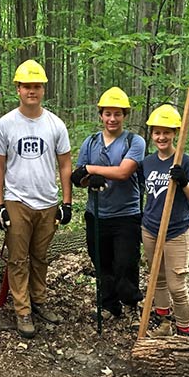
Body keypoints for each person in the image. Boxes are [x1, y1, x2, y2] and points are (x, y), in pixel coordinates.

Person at [0, 59, 72, 338]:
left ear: (43, 89)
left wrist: (67, 201)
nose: (31, 91)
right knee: (17, 258)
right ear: (18, 89)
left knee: (40, 257)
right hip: (17, 200)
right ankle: (22, 310)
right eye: (26, 86)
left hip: (48, 201)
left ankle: (39, 300)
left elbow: (64, 165)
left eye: (36, 86)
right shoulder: (5, 124)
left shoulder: (56, 125)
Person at [70, 87, 145, 321]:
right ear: (101, 115)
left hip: (126, 215)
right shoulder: (90, 142)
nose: (112, 119)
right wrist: (87, 179)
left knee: (125, 262)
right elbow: (79, 177)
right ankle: (109, 305)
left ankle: (131, 301)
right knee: (101, 263)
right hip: (96, 214)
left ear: (125, 116)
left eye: (117, 114)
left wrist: (92, 169)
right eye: (107, 114)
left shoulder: (135, 141)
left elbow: (124, 172)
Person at [139, 104, 189, 337]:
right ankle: (164, 323)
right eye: (157, 132)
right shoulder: (147, 163)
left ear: (175, 133)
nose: (161, 137)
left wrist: (184, 182)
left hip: (176, 231)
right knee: (157, 279)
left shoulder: (185, 162)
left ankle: (184, 331)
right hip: (150, 229)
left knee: (177, 286)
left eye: (166, 132)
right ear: (152, 134)